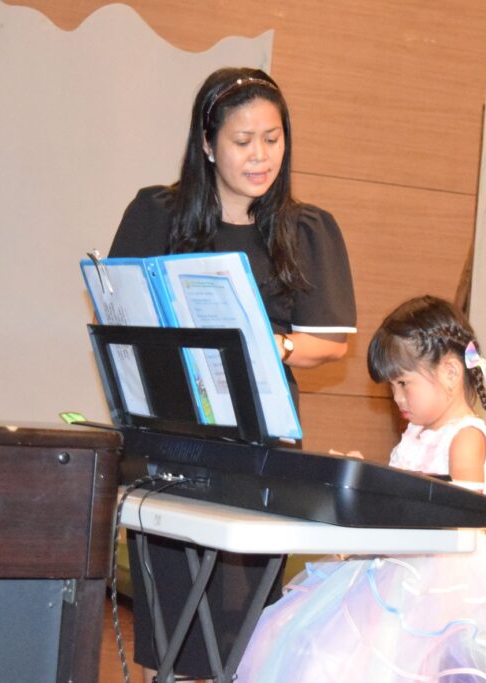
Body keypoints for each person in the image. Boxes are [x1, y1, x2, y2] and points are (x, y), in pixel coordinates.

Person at [108, 67, 356, 682]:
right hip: (173, 434)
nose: (260, 156)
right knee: (172, 623)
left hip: (260, 439)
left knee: (242, 624)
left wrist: (272, 344)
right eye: (243, 141)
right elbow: (119, 311)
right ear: (207, 144)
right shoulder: (156, 213)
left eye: (273, 139)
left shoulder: (306, 229)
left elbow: (331, 343)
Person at [236, 296, 486, 683]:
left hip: (436, 579)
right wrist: (364, 479)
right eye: (392, 386)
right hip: (393, 564)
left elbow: (462, 517)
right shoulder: (416, 431)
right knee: (310, 644)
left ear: (450, 372)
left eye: (403, 383)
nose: (396, 397)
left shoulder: (466, 436)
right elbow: (399, 496)